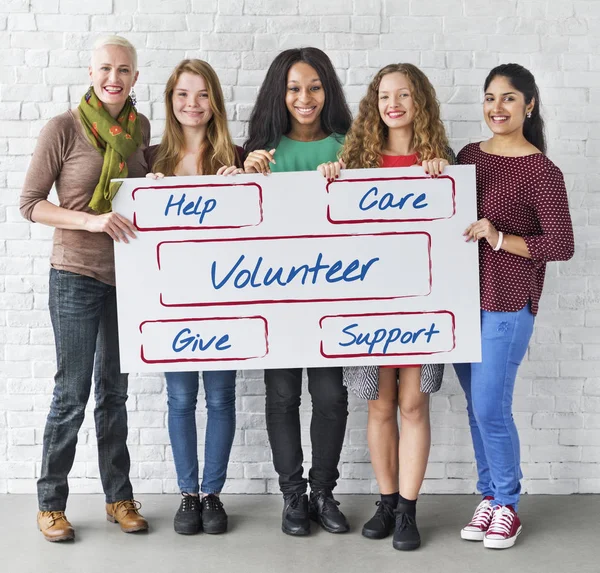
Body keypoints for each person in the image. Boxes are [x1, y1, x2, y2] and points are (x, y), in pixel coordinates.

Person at [20, 35, 150, 542]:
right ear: (91, 73)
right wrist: (91, 223)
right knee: (71, 395)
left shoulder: (139, 129)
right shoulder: (64, 128)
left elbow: (143, 191)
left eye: (123, 70)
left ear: (135, 77)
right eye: (104, 69)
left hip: (129, 280)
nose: (113, 78)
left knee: (114, 395)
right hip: (74, 274)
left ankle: (119, 498)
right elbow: (31, 203)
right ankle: (51, 504)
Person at [320, 63, 453, 551]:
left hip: (424, 302)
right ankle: (387, 500)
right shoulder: (355, 161)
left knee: (414, 403)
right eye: (383, 97)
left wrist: (444, 178)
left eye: (403, 95)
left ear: (421, 102)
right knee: (379, 403)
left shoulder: (442, 161)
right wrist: (332, 176)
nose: (393, 104)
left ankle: (410, 512)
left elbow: (452, 233)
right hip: (369, 303)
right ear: (374, 106)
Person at [456, 63, 574, 549]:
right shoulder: (466, 156)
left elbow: (561, 244)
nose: (496, 108)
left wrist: (501, 237)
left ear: (529, 104)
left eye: (508, 98)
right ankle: (488, 495)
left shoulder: (541, 170)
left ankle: (507, 504)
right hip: (461, 301)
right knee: (475, 407)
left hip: (507, 303)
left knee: (491, 406)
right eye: (489, 97)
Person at [243, 47, 353, 536]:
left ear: (326, 90)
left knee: (330, 398)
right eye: (293, 88)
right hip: (278, 301)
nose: (304, 97)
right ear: (279, 94)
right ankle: (293, 497)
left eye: (313, 86)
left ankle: (323, 493)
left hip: (333, 300)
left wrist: (349, 175)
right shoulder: (261, 151)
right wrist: (243, 179)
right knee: (283, 396)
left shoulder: (348, 146)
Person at [145, 59, 243, 536]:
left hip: (225, 302)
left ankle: (213, 494)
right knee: (181, 399)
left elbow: (261, 229)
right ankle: (188, 495)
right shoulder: (151, 159)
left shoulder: (236, 157)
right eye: (184, 95)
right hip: (171, 304)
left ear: (215, 102)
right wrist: (147, 194)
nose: (193, 104)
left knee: (222, 398)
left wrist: (243, 185)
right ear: (170, 102)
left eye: (203, 95)